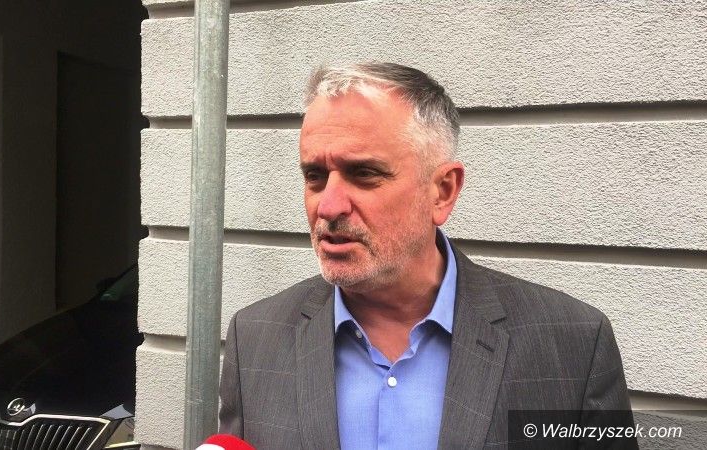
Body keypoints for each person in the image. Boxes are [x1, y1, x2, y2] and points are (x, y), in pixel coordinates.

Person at [218, 62, 634, 449]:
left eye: (364, 174)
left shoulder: (572, 345)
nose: (328, 206)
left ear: (443, 191)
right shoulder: (255, 339)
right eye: (315, 176)